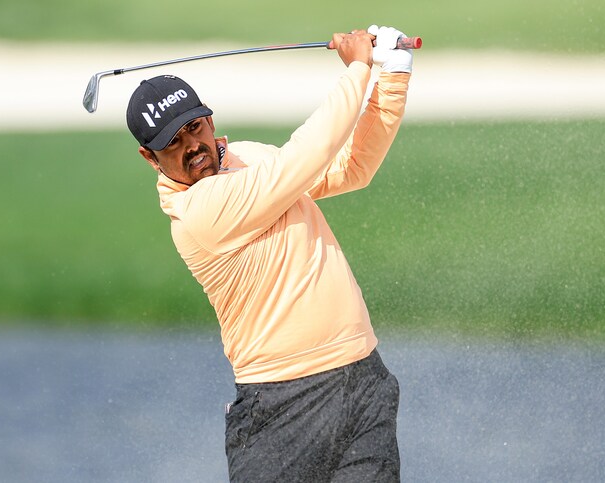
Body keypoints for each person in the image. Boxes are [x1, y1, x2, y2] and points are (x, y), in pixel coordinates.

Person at [125, 24, 413, 482]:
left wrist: (392, 75)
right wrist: (359, 67)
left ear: (209, 119)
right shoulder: (197, 212)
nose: (192, 148)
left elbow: (350, 168)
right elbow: (305, 156)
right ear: (149, 157)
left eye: (193, 128)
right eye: (172, 144)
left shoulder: (246, 158)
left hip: (362, 379)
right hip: (282, 406)